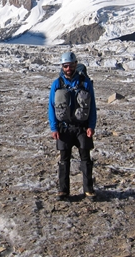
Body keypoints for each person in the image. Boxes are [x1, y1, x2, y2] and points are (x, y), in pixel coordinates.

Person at [47, 51, 97, 200]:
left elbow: (93, 106)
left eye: (71, 65)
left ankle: (88, 190)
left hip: (82, 127)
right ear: (62, 66)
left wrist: (91, 126)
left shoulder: (85, 83)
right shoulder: (57, 84)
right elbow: (51, 106)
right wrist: (54, 127)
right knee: (64, 159)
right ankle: (63, 190)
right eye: (65, 66)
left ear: (76, 64)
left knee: (85, 158)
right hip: (64, 127)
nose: (68, 68)